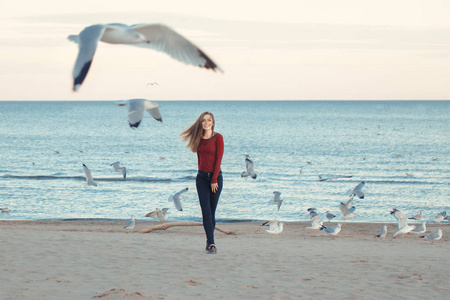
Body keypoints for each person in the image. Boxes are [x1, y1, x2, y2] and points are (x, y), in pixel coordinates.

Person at [180, 112, 224, 254]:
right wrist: (202, 175)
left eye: (209, 120)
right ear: (201, 123)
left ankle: (209, 241)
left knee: (211, 213)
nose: (206, 123)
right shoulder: (198, 138)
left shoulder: (218, 138)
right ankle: (211, 243)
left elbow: (218, 160)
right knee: (205, 212)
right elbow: (200, 159)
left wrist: (214, 179)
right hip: (201, 179)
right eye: (204, 120)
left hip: (215, 179)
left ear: (213, 122)